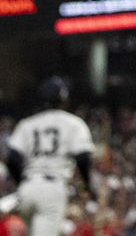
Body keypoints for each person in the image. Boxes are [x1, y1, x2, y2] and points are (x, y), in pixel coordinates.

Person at [2, 78, 96, 236]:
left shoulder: (28, 123)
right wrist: (87, 186)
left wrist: (21, 183)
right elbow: (83, 158)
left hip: (27, 189)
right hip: (52, 187)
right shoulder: (73, 123)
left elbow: (12, 158)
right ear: (63, 98)